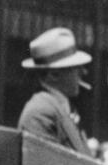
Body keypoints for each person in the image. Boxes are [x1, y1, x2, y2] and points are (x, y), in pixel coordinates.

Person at [17, 27, 95, 156]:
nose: (83, 72)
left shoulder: (59, 107)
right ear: (54, 74)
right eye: (76, 68)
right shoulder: (40, 113)